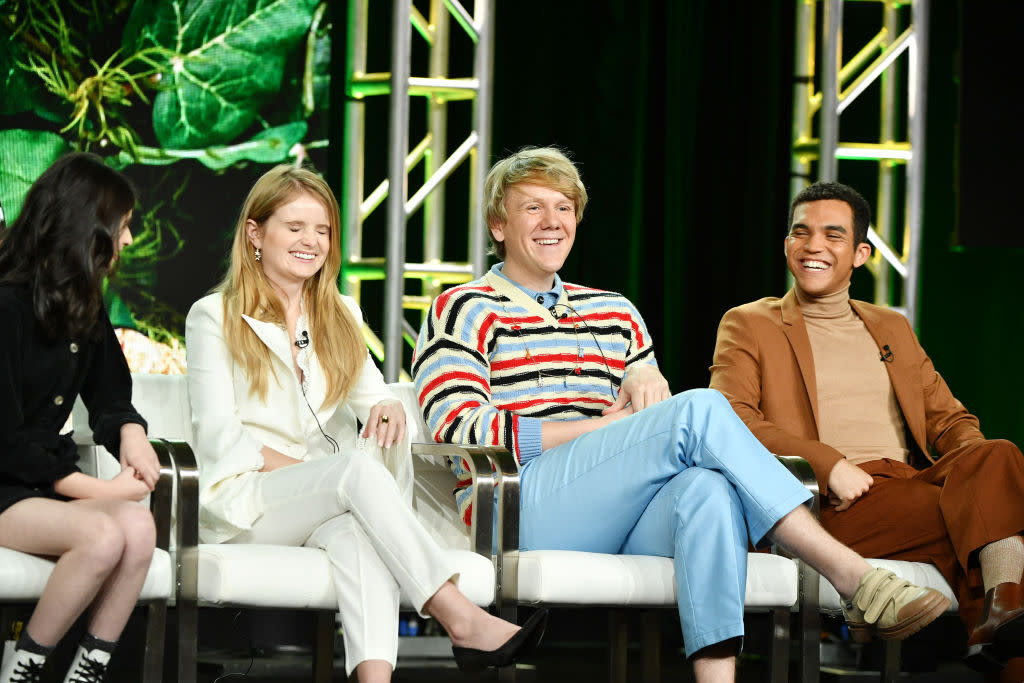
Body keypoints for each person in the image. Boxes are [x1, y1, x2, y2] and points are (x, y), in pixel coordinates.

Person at [412, 147, 951, 683]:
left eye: (564, 207)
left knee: (705, 490)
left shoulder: (615, 311)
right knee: (700, 408)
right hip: (520, 501)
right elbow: (457, 426)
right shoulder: (464, 306)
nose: (553, 222)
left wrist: (646, 383)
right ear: (498, 223)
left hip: (615, 504)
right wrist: (600, 428)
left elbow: (655, 425)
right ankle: (851, 574)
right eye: (533, 208)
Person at [184, 165, 546, 682]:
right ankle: (459, 616)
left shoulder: (340, 314)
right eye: (295, 227)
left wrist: (389, 408)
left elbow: (377, 398)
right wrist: (321, 476)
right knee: (350, 474)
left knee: (358, 532)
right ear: (255, 233)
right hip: (243, 505)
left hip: (324, 496)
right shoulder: (212, 316)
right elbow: (219, 437)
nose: (311, 241)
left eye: (323, 230)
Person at [709, 180, 1024, 674]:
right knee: (1004, 527)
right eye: (801, 233)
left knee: (1001, 455)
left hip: (911, 487)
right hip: (829, 503)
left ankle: (997, 619)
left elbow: (950, 419)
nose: (813, 246)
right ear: (787, 243)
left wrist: (984, 482)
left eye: (833, 236)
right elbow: (731, 420)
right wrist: (829, 463)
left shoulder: (889, 325)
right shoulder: (751, 322)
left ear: (860, 253)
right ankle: (994, 628)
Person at [0, 153, 160, 683]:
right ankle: (23, 670)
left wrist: (133, 438)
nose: (129, 240)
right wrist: (103, 492)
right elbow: (7, 444)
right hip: (5, 486)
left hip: (38, 489)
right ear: (87, 229)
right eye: (123, 227)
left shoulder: (83, 303)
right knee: (103, 535)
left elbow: (112, 397)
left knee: (138, 528)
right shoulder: (6, 308)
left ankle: (86, 672)